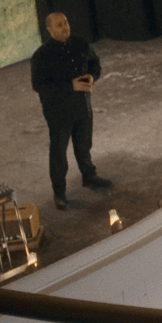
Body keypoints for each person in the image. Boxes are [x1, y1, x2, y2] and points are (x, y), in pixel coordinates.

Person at [31, 12, 112, 209]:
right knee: (59, 153)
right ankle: (59, 193)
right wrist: (70, 85)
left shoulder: (81, 44)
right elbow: (40, 86)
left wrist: (92, 77)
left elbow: (95, 64)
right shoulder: (41, 56)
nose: (64, 27)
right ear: (49, 30)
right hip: (59, 114)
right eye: (58, 25)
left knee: (84, 145)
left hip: (82, 107)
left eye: (65, 22)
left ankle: (89, 177)